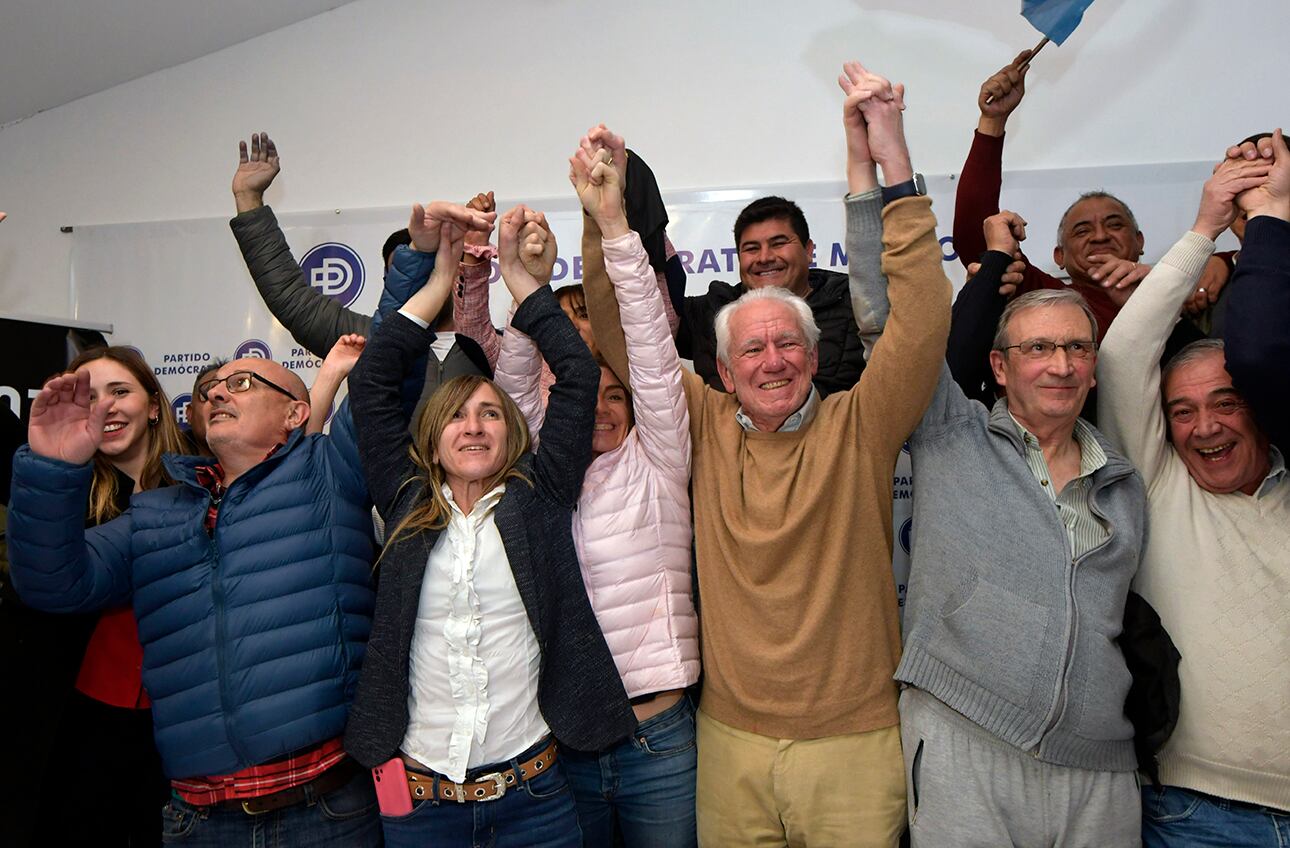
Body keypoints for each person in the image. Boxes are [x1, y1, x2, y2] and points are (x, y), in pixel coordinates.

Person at [584, 62, 946, 846]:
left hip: (855, 745)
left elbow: (919, 324)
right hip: (728, 745)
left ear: (817, 359)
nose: (772, 361)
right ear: (722, 370)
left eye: (790, 344)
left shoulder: (862, 425)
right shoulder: (702, 425)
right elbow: (619, 337)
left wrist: (894, 163)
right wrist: (600, 215)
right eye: (752, 349)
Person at [342, 202, 635, 847]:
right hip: (421, 806)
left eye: (491, 415)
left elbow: (580, 372)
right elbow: (371, 385)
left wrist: (521, 282)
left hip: (535, 799)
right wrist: (438, 283)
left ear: (515, 434)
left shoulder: (542, 495)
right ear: (432, 437)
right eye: (457, 417)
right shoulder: (405, 500)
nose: (473, 427)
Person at [7, 347, 383, 845]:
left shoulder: (328, 475)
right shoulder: (156, 513)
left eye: (243, 383)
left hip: (324, 810)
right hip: (198, 823)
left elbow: (390, 365)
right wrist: (53, 468)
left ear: (296, 413)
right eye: (210, 391)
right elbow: (53, 583)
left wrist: (423, 272)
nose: (218, 392)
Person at [493, 137, 699, 845]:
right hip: (567, 743)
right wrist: (526, 285)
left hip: (659, 742)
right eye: (588, 393)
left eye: (618, 393)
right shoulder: (540, 477)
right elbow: (517, 386)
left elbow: (649, 346)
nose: (604, 405)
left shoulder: (660, 456)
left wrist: (615, 228)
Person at [897, 283, 1148, 845]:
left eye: (1078, 349)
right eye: (1038, 349)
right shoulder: (949, 434)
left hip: (1099, 764)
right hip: (964, 738)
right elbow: (892, 321)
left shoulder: (1124, 484)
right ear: (1000, 368)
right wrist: (877, 194)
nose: (1061, 365)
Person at [1098, 148, 1290, 846]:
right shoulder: (1159, 482)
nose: (1204, 426)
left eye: (1225, 402)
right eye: (1182, 411)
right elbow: (1123, 356)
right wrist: (1206, 226)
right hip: (1196, 812)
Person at [952, 52, 1232, 340]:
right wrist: (992, 121)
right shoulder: (1047, 299)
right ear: (1059, 257)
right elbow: (978, 233)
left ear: (1140, 242)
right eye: (1082, 230)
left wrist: (1227, 261)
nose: (1100, 236)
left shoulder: (1184, 293)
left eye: (1115, 225)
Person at [228, 133, 492, 403]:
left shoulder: (494, 349)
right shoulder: (364, 341)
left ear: (451, 268)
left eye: (428, 269)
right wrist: (249, 201)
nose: (418, 284)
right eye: (404, 276)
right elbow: (291, 298)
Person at [1224, 129, 1290, 451]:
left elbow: (1257, 356)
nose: (1258, 193)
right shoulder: (1211, 285)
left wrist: (1269, 215)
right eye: (1244, 186)